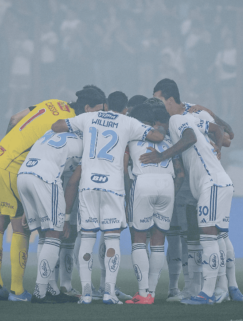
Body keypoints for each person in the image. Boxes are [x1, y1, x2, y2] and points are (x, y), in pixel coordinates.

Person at [0, 85, 105, 302]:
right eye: (97, 111)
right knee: (20, 226)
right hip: (16, 166)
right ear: (86, 108)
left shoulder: (54, 103)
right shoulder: (70, 125)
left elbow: (14, 119)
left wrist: (8, 145)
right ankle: (17, 291)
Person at [52, 91, 164, 304]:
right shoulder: (128, 121)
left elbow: (57, 126)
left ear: (105, 105)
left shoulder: (88, 117)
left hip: (88, 185)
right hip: (112, 187)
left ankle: (85, 293)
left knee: (87, 238)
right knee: (112, 238)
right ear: (125, 109)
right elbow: (158, 136)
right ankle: (108, 292)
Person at [142, 79, 239, 305]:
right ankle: (209, 290)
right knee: (209, 237)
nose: (158, 106)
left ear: (170, 99)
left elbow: (203, 137)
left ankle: (214, 290)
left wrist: (161, 157)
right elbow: (216, 130)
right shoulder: (185, 119)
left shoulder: (180, 117)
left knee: (209, 238)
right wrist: (215, 147)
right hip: (207, 184)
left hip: (210, 182)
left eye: (159, 101)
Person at [124, 99, 185, 304]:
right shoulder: (167, 139)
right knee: (159, 241)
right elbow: (181, 173)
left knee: (139, 239)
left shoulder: (131, 136)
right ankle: (151, 292)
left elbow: (124, 167)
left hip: (144, 183)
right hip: (168, 184)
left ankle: (142, 293)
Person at [17, 128, 84, 304]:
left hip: (24, 175)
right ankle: (40, 293)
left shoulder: (50, 132)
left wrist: (29, 207)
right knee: (55, 234)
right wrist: (67, 219)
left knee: (44, 235)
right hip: (45, 178)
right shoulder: (87, 141)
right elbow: (72, 183)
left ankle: (52, 289)